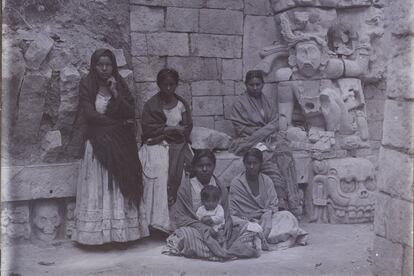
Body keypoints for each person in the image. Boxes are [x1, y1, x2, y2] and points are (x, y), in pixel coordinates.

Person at [72, 48, 149, 245]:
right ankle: (98, 235)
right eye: (100, 64)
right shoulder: (87, 84)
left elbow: (129, 112)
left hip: (120, 141)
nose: (105, 68)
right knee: (101, 186)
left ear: (113, 65)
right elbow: (89, 115)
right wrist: (117, 124)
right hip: (97, 141)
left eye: (108, 64)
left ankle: (122, 233)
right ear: (94, 66)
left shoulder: (119, 85)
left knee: (122, 178)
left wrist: (115, 93)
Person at [163, 150, 261, 261]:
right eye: (201, 166)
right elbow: (180, 218)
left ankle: (217, 250)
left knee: (247, 227)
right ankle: (224, 251)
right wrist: (203, 227)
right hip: (197, 229)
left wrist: (228, 222)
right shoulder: (186, 187)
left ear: (214, 166)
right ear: (194, 167)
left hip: (218, 227)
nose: (205, 169)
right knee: (186, 235)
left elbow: (226, 212)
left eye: (208, 165)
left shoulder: (219, 185)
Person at [229, 69, 302, 217]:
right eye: (251, 85)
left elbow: (275, 122)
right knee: (267, 159)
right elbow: (240, 127)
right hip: (249, 140)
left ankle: (292, 198)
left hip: (269, 138)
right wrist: (260, 134)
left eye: (258, 84)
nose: (255, 88)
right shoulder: (239, 103)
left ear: (263, 84)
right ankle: (280, 200)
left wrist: (265, 132)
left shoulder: (266, 101)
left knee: (284, 153)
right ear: (246, 85)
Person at [139, 68, 193, 233]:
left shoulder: (181, 104)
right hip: (155, 142)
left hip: (177, 143)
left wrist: (178, 132)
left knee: (186, 167)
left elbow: (186, 127)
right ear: (159, 85)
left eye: (172, 84)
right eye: (165, 85)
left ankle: (175, 221)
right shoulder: (151, 105)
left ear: (176, 85)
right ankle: (156, 222)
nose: (168, 88)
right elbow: (148, 129)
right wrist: (168, 130)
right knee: (158, 168)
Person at [230, 148, 308, 250]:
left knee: (287, 216)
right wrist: (251, 216)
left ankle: (259, 238)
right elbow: (233, 211)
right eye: (248, 163)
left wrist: (264, 214)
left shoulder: (267, 181)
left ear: (260, 164)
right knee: (234, 222)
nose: (252, 166)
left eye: (255, 163)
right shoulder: (237, 183)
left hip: (268, 220)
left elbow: (273, 205)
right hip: (247, 221)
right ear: (244, 164)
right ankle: (269, 237)